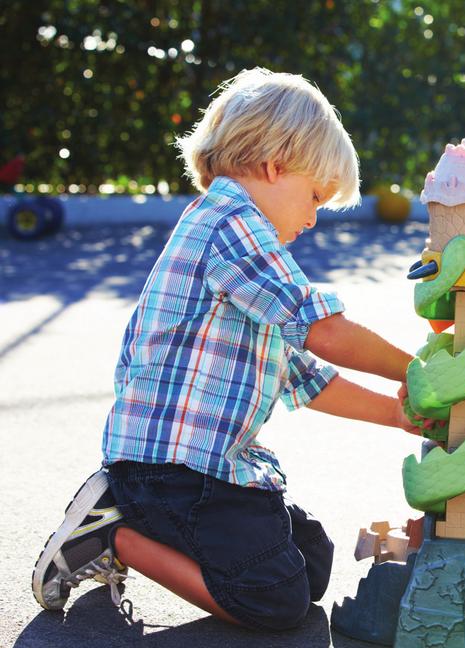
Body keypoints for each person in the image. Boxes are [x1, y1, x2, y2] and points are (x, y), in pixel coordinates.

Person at [31, 68, 427, 630]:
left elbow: (305, 376)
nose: (313, 218)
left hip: (196, 471)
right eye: (314, 196)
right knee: (276, 602)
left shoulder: (238, 243)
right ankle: (113, 534)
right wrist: (418, 369)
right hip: (172, 472)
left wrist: (398, 413)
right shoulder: (231, 224)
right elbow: (326, 332)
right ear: (275, 165)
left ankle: (133, 523)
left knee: (312, 564)